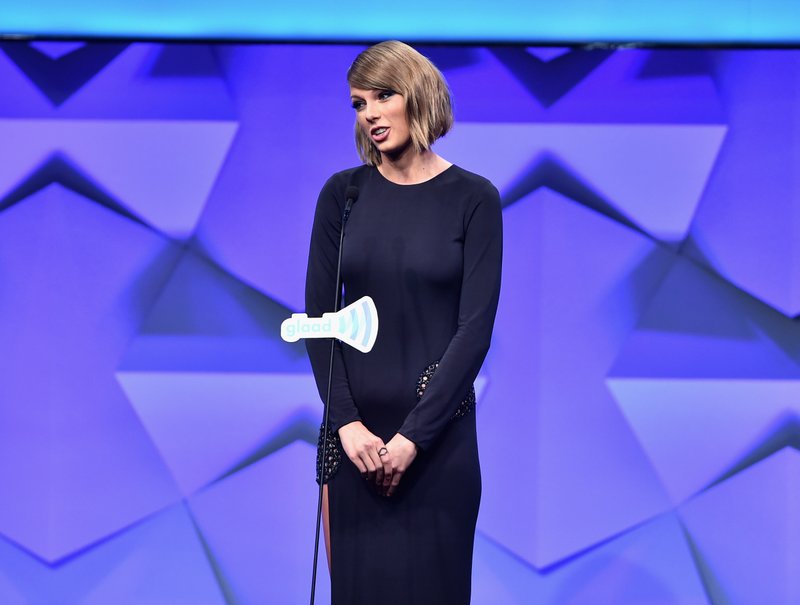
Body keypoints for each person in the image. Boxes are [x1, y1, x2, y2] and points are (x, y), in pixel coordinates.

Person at [305, 40, 502, 605]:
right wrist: (347, 426)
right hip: (354, 444)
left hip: (436, 449)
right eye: (357, 102)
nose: (369, 113)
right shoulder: (343, 196)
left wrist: (413, 438)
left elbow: (475, 329)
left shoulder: (474, 199)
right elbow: (321, 321)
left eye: (382, 96)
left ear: (417, 96)